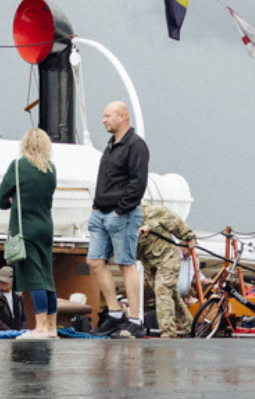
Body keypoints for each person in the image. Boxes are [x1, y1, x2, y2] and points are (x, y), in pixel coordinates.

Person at [87, 101, 149, 338]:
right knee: (95, 261)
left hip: (123, 214)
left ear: (123, 116)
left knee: (126, 263)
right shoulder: (111, 146)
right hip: (101, 213)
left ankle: (135, 320)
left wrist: (120, 211)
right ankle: (115, 314)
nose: (104, 120)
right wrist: (96, 206)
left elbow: (138, 182)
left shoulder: (136, 145)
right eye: (103, 116)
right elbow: (106, 178)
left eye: (108, 115)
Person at [0, 127, 59, 340]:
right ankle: (51, 327)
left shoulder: (18, 166)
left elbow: (1, 200)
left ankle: (40, 327)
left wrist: (14, 199)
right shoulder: (51, 169)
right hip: (46, 227)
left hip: (26, 228)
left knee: (35, 278)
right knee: (47, 277)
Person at [137, 203, 195, 338]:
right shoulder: (121, 222)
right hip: (149, 263)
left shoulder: (154, 211)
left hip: (168, 256)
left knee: (162, 290)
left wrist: (189, 237)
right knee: (171, 295)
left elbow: (174, 221)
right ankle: (190, 327)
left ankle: (167, 333)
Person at [0, 267, 27, 333]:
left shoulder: (18, 294)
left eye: (5, 281)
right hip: (0, 335)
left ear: (12, 280)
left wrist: (22, 331)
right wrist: (10, 332)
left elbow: (24, 316)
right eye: (0, 280)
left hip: (19, 334)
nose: (2, 283)